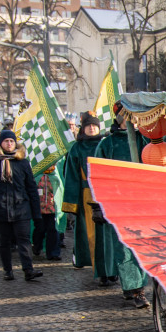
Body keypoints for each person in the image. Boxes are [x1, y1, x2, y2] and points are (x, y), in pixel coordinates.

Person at [91, 107, 150, 308]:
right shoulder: (107, 144)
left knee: (140, 246)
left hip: (142, 203)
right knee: (124, 249)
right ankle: (136, 291)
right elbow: (98, 174)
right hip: (116, 202)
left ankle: (135, 286)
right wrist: (99, 203)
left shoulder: (145, 141)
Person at [0, 129, 43, 282]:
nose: (9, 144)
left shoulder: (23, 162)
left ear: (15, 143)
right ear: (0, 143)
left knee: (24, 239)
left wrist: (36, 212)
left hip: (21, 208)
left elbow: (31, 187)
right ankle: (7, 270)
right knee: (3, 241)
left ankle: (28, 269)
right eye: (6, 141)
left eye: (11, 141)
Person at [61, 114, 107, 278]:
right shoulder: (76, 148)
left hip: (104, 194)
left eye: (94, 126)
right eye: (89, 126)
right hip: (86, 196)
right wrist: (72, 203)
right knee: (91, 234)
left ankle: (110, 268)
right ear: (83, 128)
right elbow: (71, 177)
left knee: (107, 234)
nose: (92, 128)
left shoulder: (105, 144)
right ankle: (98, 268)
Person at [32, 165, 63, 261]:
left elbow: (60, 191)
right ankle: (37, 246)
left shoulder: (55, 177)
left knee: (53, 230)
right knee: (40, 229)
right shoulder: (36, 177)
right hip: (39, 209)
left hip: (51, 209)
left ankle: (53, 253)